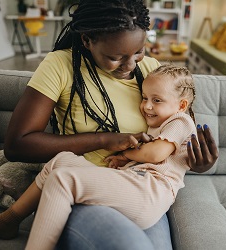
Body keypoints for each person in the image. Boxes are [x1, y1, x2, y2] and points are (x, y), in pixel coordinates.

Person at [0, 0, 218, 249]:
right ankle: (9, 220)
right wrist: (106, 139)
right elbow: (16, 145)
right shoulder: (61, 65)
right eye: (115, 57)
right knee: (62, 165)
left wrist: (199, 162)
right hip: (89, 185)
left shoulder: (151, 72)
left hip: (136, 186)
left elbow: (178, 131)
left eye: (138, 51)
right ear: (87, 40)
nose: (130, 65)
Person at [21, 64, 196, 250]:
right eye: (145, 98)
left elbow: (155, 153)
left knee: (63, 179)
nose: (147, 106)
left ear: (182, 105)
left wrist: (125, 154)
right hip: (135, 183)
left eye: (157, 100)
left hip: (150, 192)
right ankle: (11, 218)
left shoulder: (181, 121)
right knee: (62, 160)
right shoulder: (161, 122)